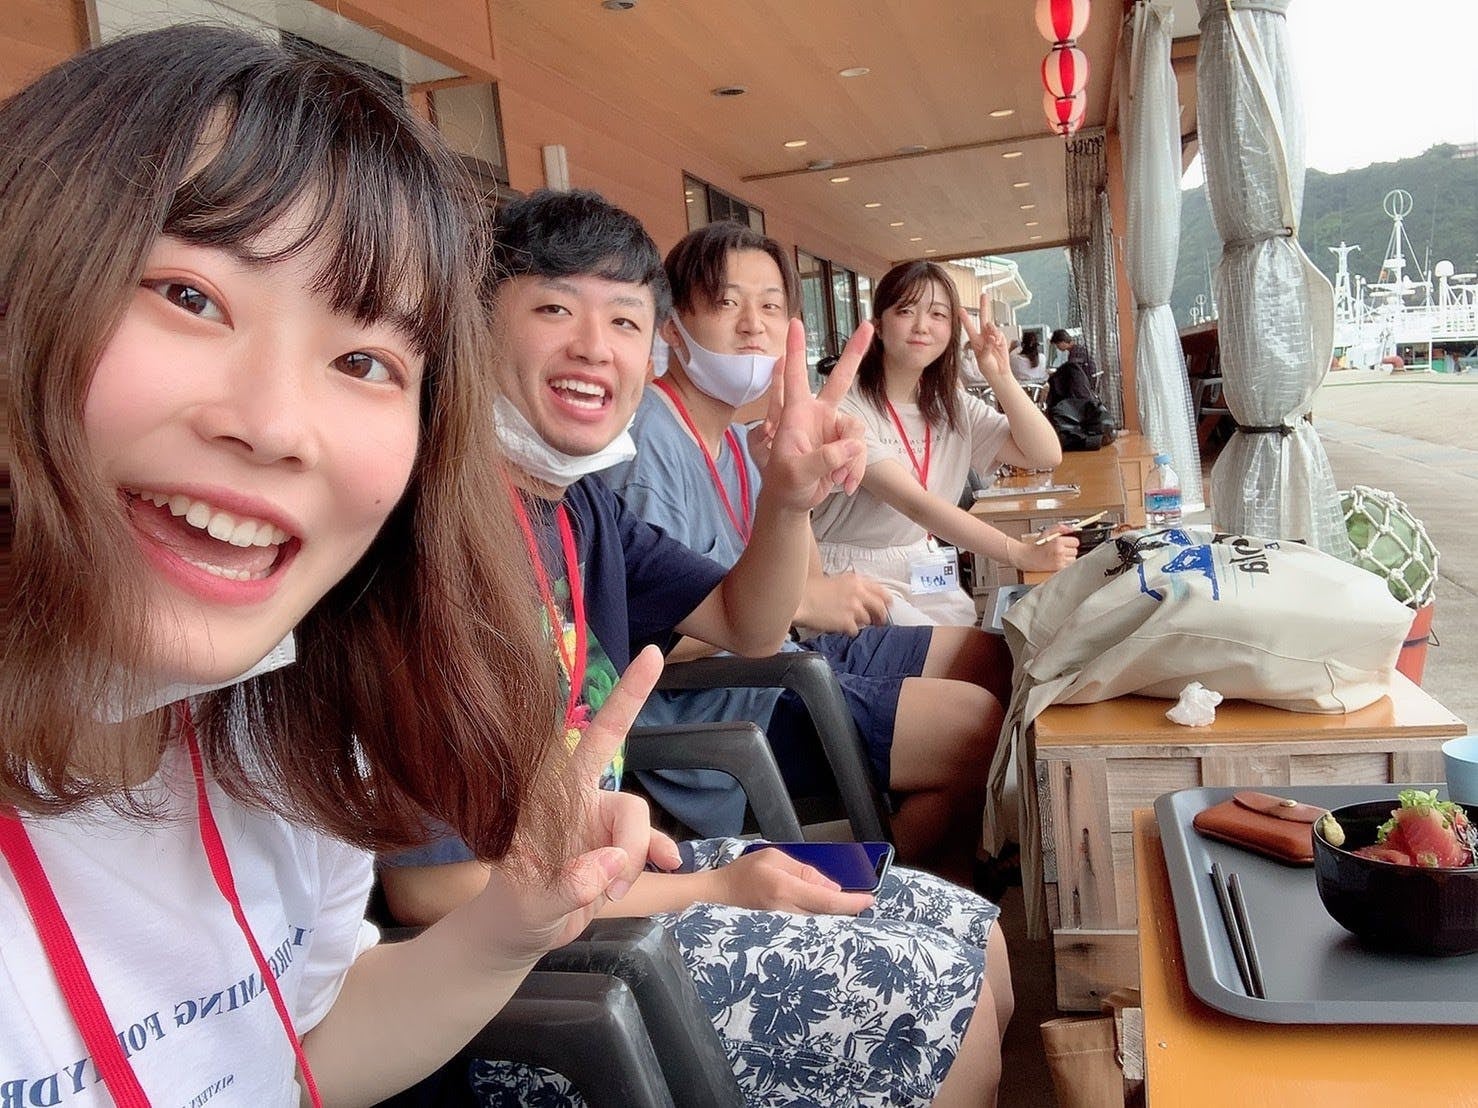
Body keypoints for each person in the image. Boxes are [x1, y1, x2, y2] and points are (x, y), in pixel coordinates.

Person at [0, 26, 677, 1104]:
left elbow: (297, 1053)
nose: (276, 426)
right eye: (189, 296)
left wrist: (511, 924)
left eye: (365, 360)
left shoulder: (281, 738)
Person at [380, 191, 1013, 1107]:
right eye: (554, 308)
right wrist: (710, 891)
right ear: (473, 328)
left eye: (624, 320)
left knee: (978, 939)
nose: (594, 346)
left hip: (615, 879)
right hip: (516, 983)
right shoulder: (430, 543)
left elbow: (748, 625)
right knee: (941, 1009)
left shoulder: (577, 505)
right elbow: (434, 894)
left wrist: (786, 499)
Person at [603, 220, 1011, 870]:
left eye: (770, 306)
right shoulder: (649, 448)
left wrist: (795, 496)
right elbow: (647, 640)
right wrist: (796, 604)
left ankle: (917, 871)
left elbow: (805, 574)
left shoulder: (736, 439)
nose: (753, 326)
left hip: (785, 654)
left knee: (991, 658)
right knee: (971, 724)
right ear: (671, 325)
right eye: (726, 302)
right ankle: (893, 891)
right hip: (724, 699)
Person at [811, 262, 1078, 626]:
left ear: (951, 330)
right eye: (906, 310)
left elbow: (1044, 453)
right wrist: (1019, 553)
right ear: (879, 325)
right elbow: (916, 505)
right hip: (850, 573)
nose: (922, 325)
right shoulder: (848, 408)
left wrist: (1000, 376)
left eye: (937, 314)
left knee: (991, 645)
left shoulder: (951, 405)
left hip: (922, 559)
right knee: (971, 653)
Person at [1048, 327, 1099, 403]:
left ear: (1062, 342)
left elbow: (1073, 368)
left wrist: (1056, 373)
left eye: (1057, 345)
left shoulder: (1077, 352)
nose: (1058, 348)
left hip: (1084, 386)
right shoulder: (1077, 350)